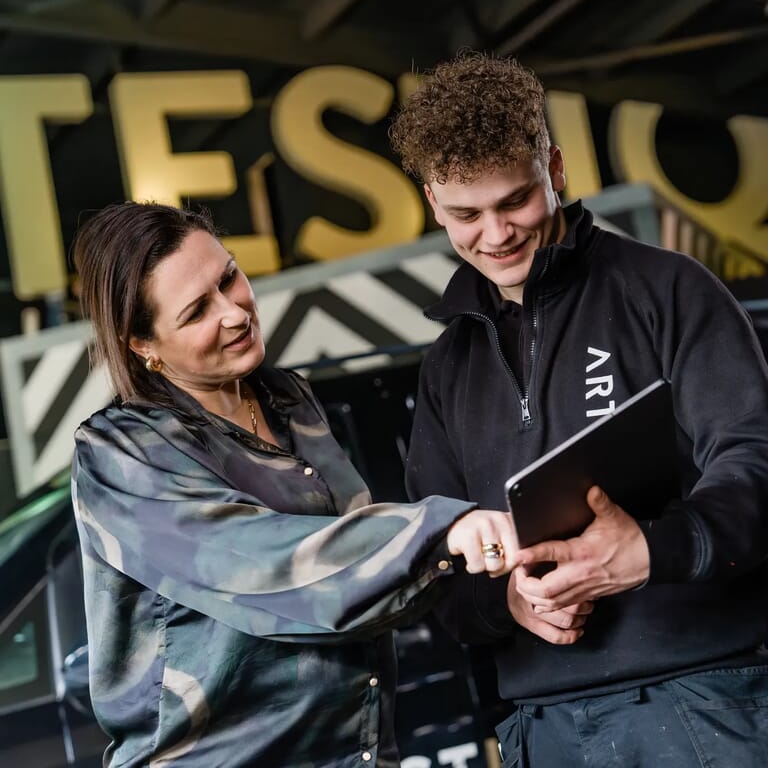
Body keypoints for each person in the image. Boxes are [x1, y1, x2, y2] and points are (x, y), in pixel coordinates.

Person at [389, 51, 768, 766]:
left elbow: (756, 457)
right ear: (433, 204)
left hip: (707, 702)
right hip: (544, 728)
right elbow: (434, 568)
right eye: (467, 214)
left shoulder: (669, 289)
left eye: (516, 201)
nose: (496, 235)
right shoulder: (447, 368)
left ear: (554, 170)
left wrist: (651, 550)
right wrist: (507, 606)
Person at [69, 201, 519, 768]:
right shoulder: (120, 453)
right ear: (144, 345)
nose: (234, 313)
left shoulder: (289, 400)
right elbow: (263, 566)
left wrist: (507, 574)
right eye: (197, 311)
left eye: (228, 278)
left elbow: (366, 571)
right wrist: (442, 527)